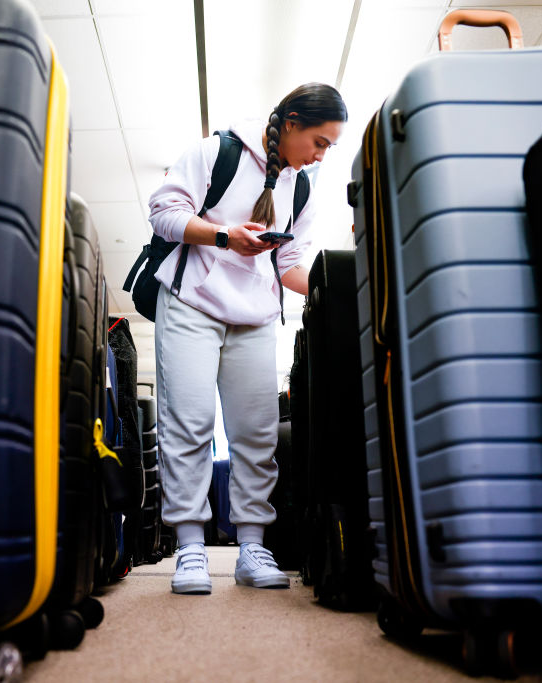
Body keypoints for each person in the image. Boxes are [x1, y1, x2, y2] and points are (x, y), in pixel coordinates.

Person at [147, 83, 347, 594]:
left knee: (257, 435)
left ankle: (252, 545)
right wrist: (224, 236)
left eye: (329, 148)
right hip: (193, 302)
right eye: (319, 142)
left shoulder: (301, 187)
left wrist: (341, 281)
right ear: (293, 122)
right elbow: (163, 213)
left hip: (255, 315)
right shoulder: (218, 152)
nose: (320, 155)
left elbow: (291, 264)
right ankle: (190, 547)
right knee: (189, 424)